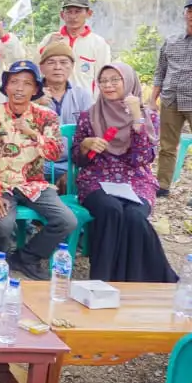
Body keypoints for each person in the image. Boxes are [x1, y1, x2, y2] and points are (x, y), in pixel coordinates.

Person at [74, 62, 176, 282]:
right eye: (103, 81)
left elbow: (141, 159)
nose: (108, 85)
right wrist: (85, 145)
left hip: (137, 180)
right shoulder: (89, 115)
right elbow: (79, 160)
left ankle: (135, 281)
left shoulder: (149, 117)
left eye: (114, 80)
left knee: (134, 215)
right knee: (110, 209)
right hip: (96, 179)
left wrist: (137, 118)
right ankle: (101, 279)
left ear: (128, 81)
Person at [0, 61, 76, 280]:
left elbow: (54, 153)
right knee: (3, 224)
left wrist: (33, 134)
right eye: (14, 82)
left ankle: (27, 258)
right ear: (6, 87)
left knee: (66, 220)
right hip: (1, 182)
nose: (20, 89)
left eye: (27, 84)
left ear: (36, 89)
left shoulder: (46, 116)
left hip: (33, 183)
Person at [151, 0, 192, 198]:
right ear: (185, 14)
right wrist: (153, 99)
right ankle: (162, 185)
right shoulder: (172, 41)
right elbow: (160, 71)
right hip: (170, 101)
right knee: (167, 146)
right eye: (190, 11)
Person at [37, 42, 94, 186]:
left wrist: (74, 170)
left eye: (63, 62)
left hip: (71, 164)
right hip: (37, 163)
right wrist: (34, 103)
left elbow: (92, 135)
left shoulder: (82, 95)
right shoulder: (30, 94)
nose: (58, 67)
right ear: (41, 67)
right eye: (51, 62)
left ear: (72, 66)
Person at [37, 0, 112, 93]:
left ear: (89, 13)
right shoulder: (50, 39)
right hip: (52, 99)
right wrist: (48, 47)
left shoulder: (98, 43)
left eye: (78, 12)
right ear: (62, 15)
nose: (73, 16)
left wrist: (96, 105)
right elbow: (36, 68)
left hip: (85, 104)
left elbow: (103, 77)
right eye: (69, 12)